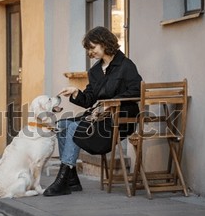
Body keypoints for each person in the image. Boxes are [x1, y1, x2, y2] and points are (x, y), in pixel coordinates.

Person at [43, 26, 143, 197]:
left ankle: (63, 179)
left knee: (75, 127)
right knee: (63, 125)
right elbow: (89, 99)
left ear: (104, 43)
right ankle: (72, 178)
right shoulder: (95, 71)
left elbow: (137, 90)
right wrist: (76, 92)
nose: (91, 52)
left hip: (121, 120)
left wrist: (111, 103)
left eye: (93, 47)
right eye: (89, 49)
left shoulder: (126, 65)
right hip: (100, 120)